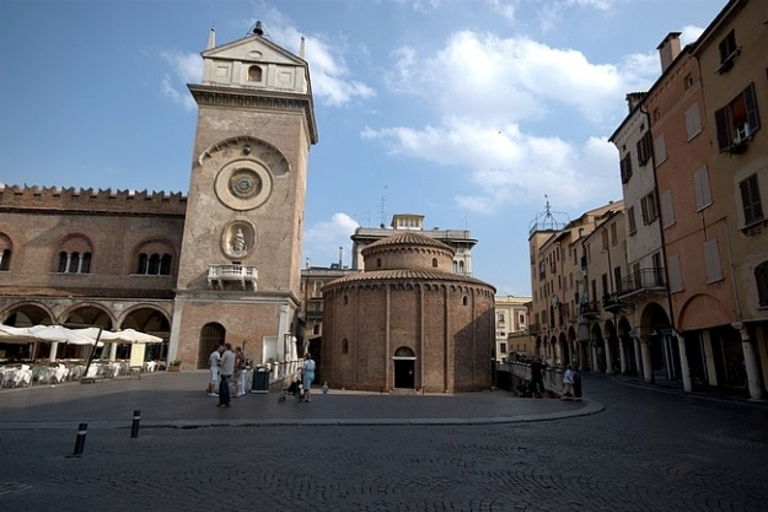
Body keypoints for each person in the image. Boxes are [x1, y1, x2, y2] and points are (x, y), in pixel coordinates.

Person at [217, 343, 235, 408]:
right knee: (225, 387)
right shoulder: (232, 354)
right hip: (230, 372)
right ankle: (225, 402)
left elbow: (221, 363)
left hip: (224, 372)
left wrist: (218, 363)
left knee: (224, 388)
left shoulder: (225, 353)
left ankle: (224, 402)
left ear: (225, 347)